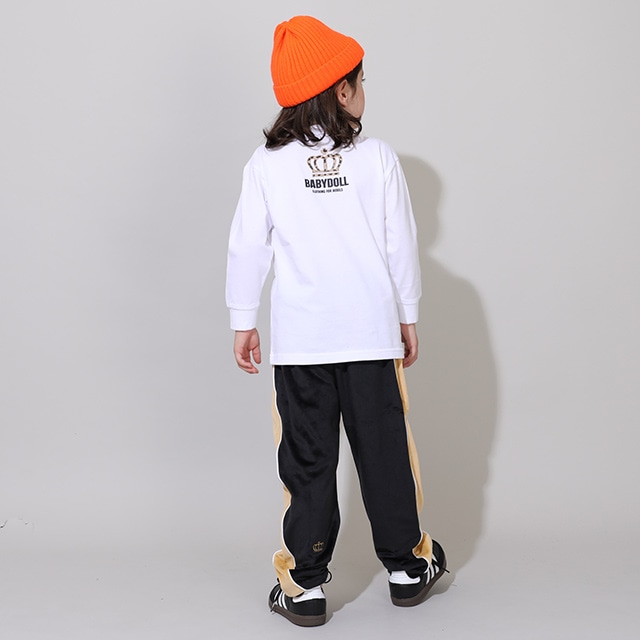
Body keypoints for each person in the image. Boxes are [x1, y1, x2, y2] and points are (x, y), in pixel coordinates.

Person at [225, 15, 447, 627]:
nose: (364, 91)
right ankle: (407, 568)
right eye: (361, 81)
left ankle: (304, 584)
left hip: (302, 344)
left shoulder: (267, 165)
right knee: (384, 452)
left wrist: (244, 319)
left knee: (307, 460)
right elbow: (400, 242)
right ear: (342, 90)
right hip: (370, 336)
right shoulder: (377, 159)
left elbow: (247, 247)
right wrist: (407, 314)